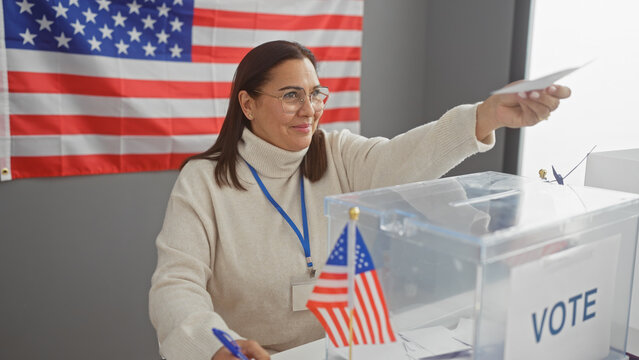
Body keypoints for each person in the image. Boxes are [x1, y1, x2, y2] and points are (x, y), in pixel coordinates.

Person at [148, 40, 570, 360]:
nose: (309, 110)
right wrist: (215, 347)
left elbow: (404, 158)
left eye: (316, 94)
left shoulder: (337, 153)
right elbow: (175, 286)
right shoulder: (202, 181)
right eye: (291, 95)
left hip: (341, 350)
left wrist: (488, 114)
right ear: (248, 104)